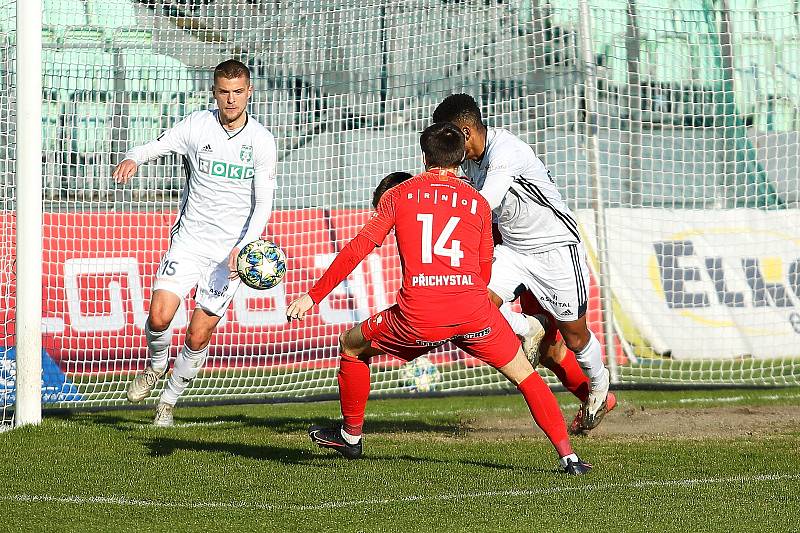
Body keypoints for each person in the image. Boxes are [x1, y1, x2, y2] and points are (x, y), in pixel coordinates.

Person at [286, 123, 591, 475]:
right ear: (461, 157)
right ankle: (568, 457)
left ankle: (351, 436)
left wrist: (313, 295)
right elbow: (483, 267)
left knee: (351, 345)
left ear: (425, 156)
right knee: (526, 376)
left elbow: (359, 248)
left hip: (419, 316)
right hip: (473, 312)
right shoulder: (478, 201)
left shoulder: (400, 195)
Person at [432, 94, 616, 434]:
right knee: (472, 303)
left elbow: (484, 204)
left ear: (467, 131)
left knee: (574, 339)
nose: (448, 145)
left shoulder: (507, 152)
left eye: (450, 136)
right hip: (515, 251)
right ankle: (527, 327)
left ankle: (599, 387)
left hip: (555, 249)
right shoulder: (470, 161)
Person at [112, 60, 277, 426]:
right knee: (159, 316)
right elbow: (159, 145)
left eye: (238, 92)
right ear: (214, 93)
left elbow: (264, 202)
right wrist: (133, 158)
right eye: (224, 92)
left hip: (230, 254)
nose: (231, 100)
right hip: (189, 241)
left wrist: (245, 248)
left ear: (250, 92)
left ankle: (168, 402)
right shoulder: (198, 125)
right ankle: (156, 365)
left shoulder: (261, 141)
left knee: (198, 334)